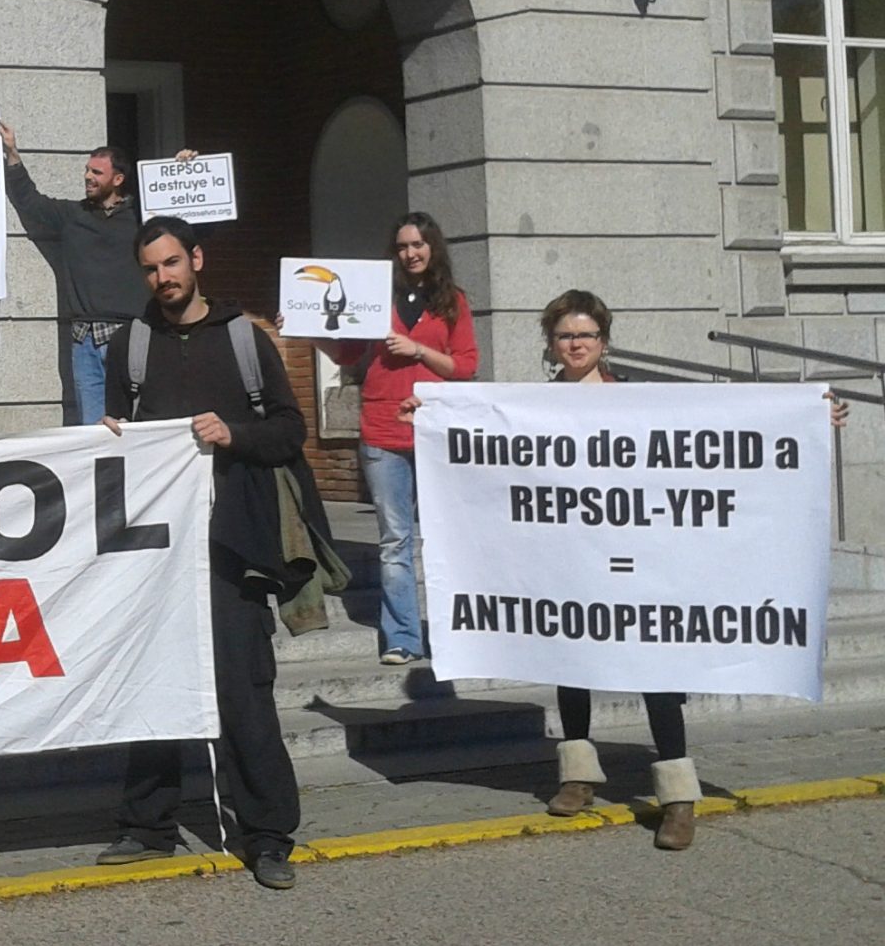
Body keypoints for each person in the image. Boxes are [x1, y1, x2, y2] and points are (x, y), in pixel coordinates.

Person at [533, 288, 844, 850]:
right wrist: (428, 420)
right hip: (575, 552)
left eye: (586, 334)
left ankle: (678, 797)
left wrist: (808, 418)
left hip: (645, 553)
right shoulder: (527, 406)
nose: (576, 344)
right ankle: (577, 775)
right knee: (572, 658)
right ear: (551, 344)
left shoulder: (641, 399)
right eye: (565, 335)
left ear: (604, 341)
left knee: (657, 667)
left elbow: (722, 429)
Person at [97, 216, 326, 891]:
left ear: (196, 259)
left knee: (243, 691)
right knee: (152, 683)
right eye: (150, 268)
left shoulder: (244, 339)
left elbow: (289, 430)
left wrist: (234, 434)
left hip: (236, 546)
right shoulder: (130, 345)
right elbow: (119, 436)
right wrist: (111, 434)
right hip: (157, 550)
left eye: (171, 263)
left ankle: (268, 837)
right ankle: (147, 825)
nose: (162, 277)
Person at [303, 212, 477, 666]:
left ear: (433, 247)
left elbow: (465, 366)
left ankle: (452, 633)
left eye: (418, 244)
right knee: (395, 540)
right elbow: (347, 353)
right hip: (382, 430)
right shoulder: (377, 297)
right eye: (402, 246)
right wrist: (307, 328)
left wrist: (418, 349)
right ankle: (402, 637)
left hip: (435, 431)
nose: (410, 253)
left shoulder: (454, 301)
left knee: (443, 538)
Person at [0, 121, 144, 424]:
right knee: (94, 429)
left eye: (96, 172)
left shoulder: (143, 219)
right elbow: (30, 201)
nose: (88, 177)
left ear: (118, 179)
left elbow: (191, 229)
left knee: (137, 423)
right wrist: (12, 152)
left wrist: (185, 170)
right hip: (84, 339)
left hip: (130, 335)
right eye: (87, 170)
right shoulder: (73, 215)